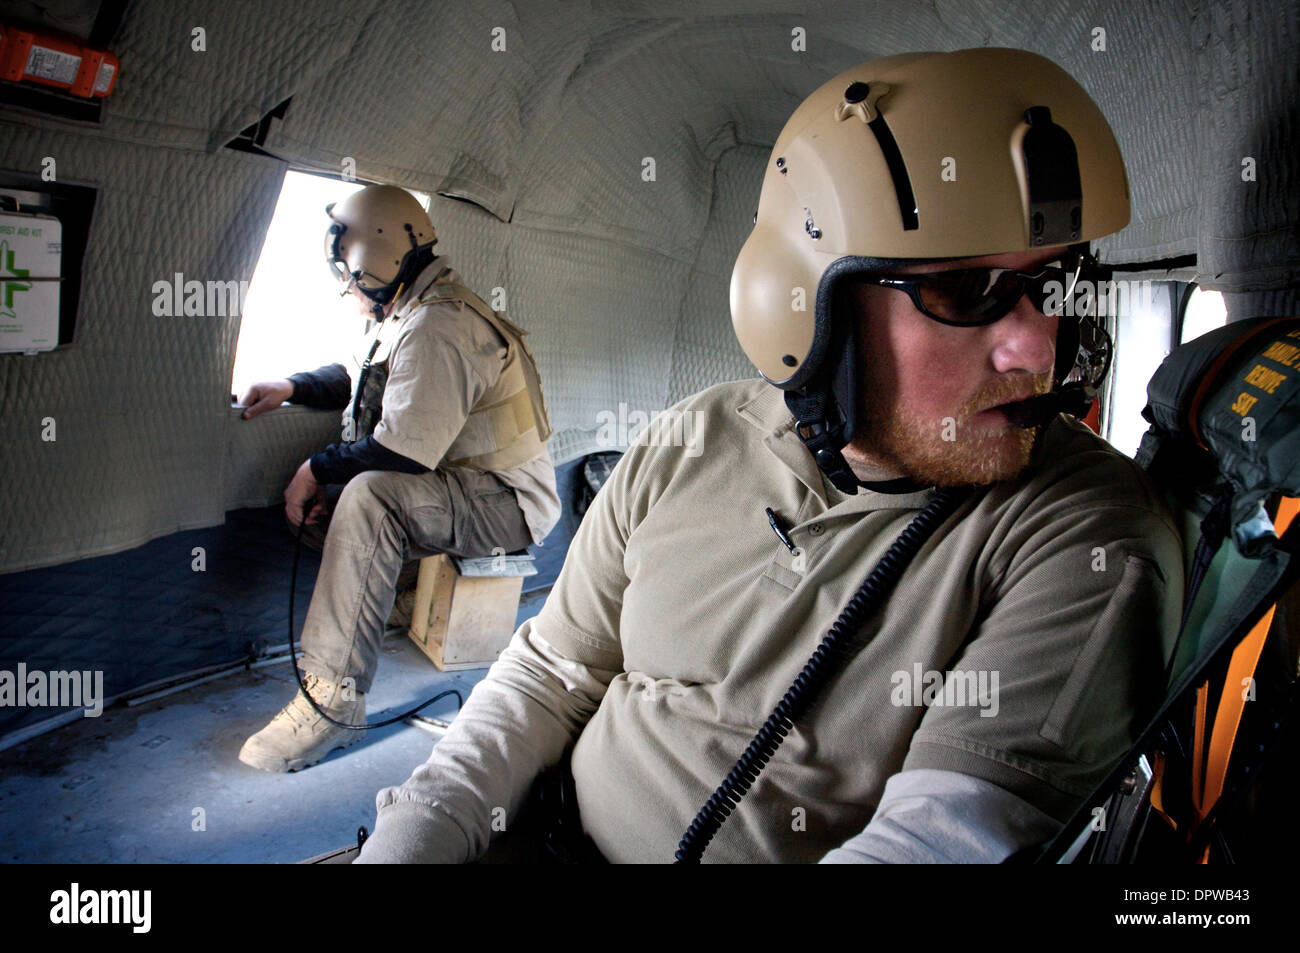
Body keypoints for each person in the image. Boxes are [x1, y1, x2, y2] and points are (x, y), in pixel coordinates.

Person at [354, 48, 1184, 863]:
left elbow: (935, 841)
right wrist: (423, 825)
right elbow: (552, 672)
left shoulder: (1088, 535)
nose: (1037, 344)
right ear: (813, 313)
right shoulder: (694, 435)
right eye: (968, 292)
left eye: (1059, 282)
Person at [236, 184, 560, 773]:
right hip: (460, 485)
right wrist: (293, 387)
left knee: (367, 494)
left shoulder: (440, 323)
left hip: (506, 501)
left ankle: (333, 702)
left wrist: (314, 469)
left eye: (350, 275)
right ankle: (392, 598)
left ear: (375, 261)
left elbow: (402, 453)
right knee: (340, 492)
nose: (348, 289)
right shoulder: (411, 306)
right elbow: (369, 381)